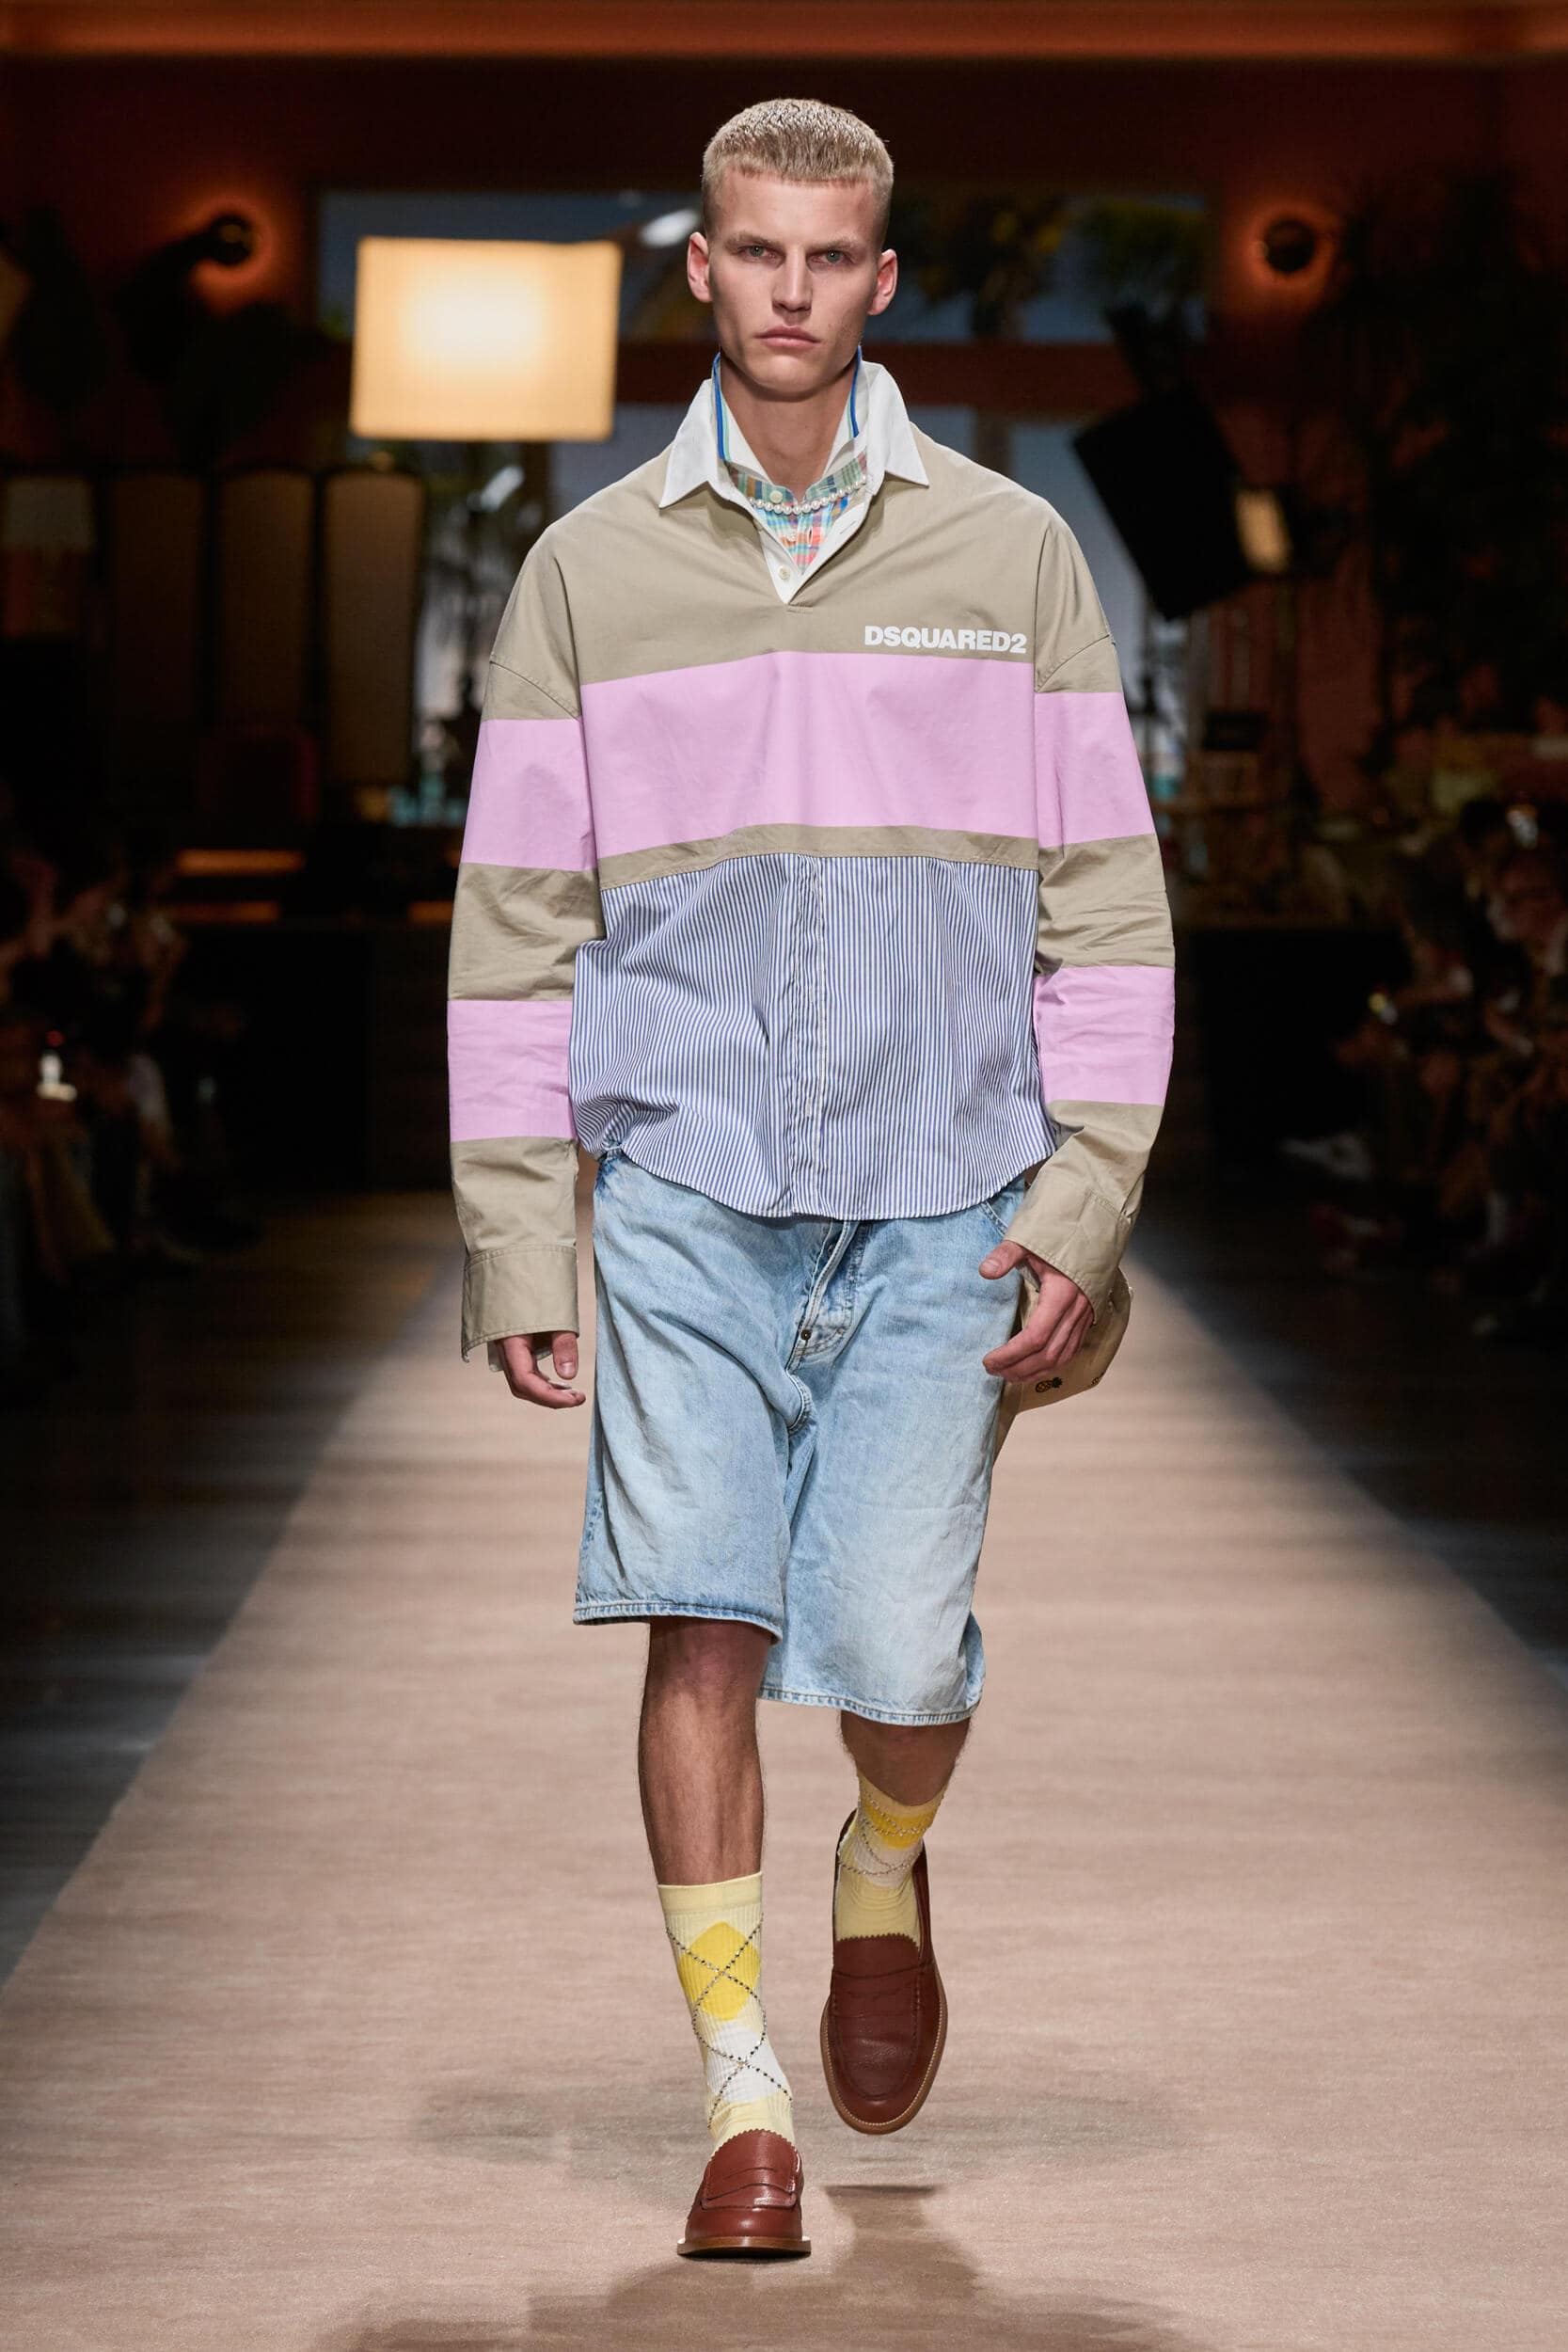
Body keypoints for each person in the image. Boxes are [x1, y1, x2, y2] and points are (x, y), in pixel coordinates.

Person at [446, 97, 1174, 2259]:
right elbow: (515, 925)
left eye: (828, 254)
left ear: (879, 277)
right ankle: (741, 2101)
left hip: (948, 1188)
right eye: (753, 250)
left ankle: (881, 1857)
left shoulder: (1007, 556)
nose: (789, 288)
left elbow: (1107, 903)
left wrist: (1085, 1194)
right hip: (684, 1185)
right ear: (703, 267)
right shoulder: (588, 574)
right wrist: (520, 1230)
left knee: (904, 1653)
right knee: (701, 1615)